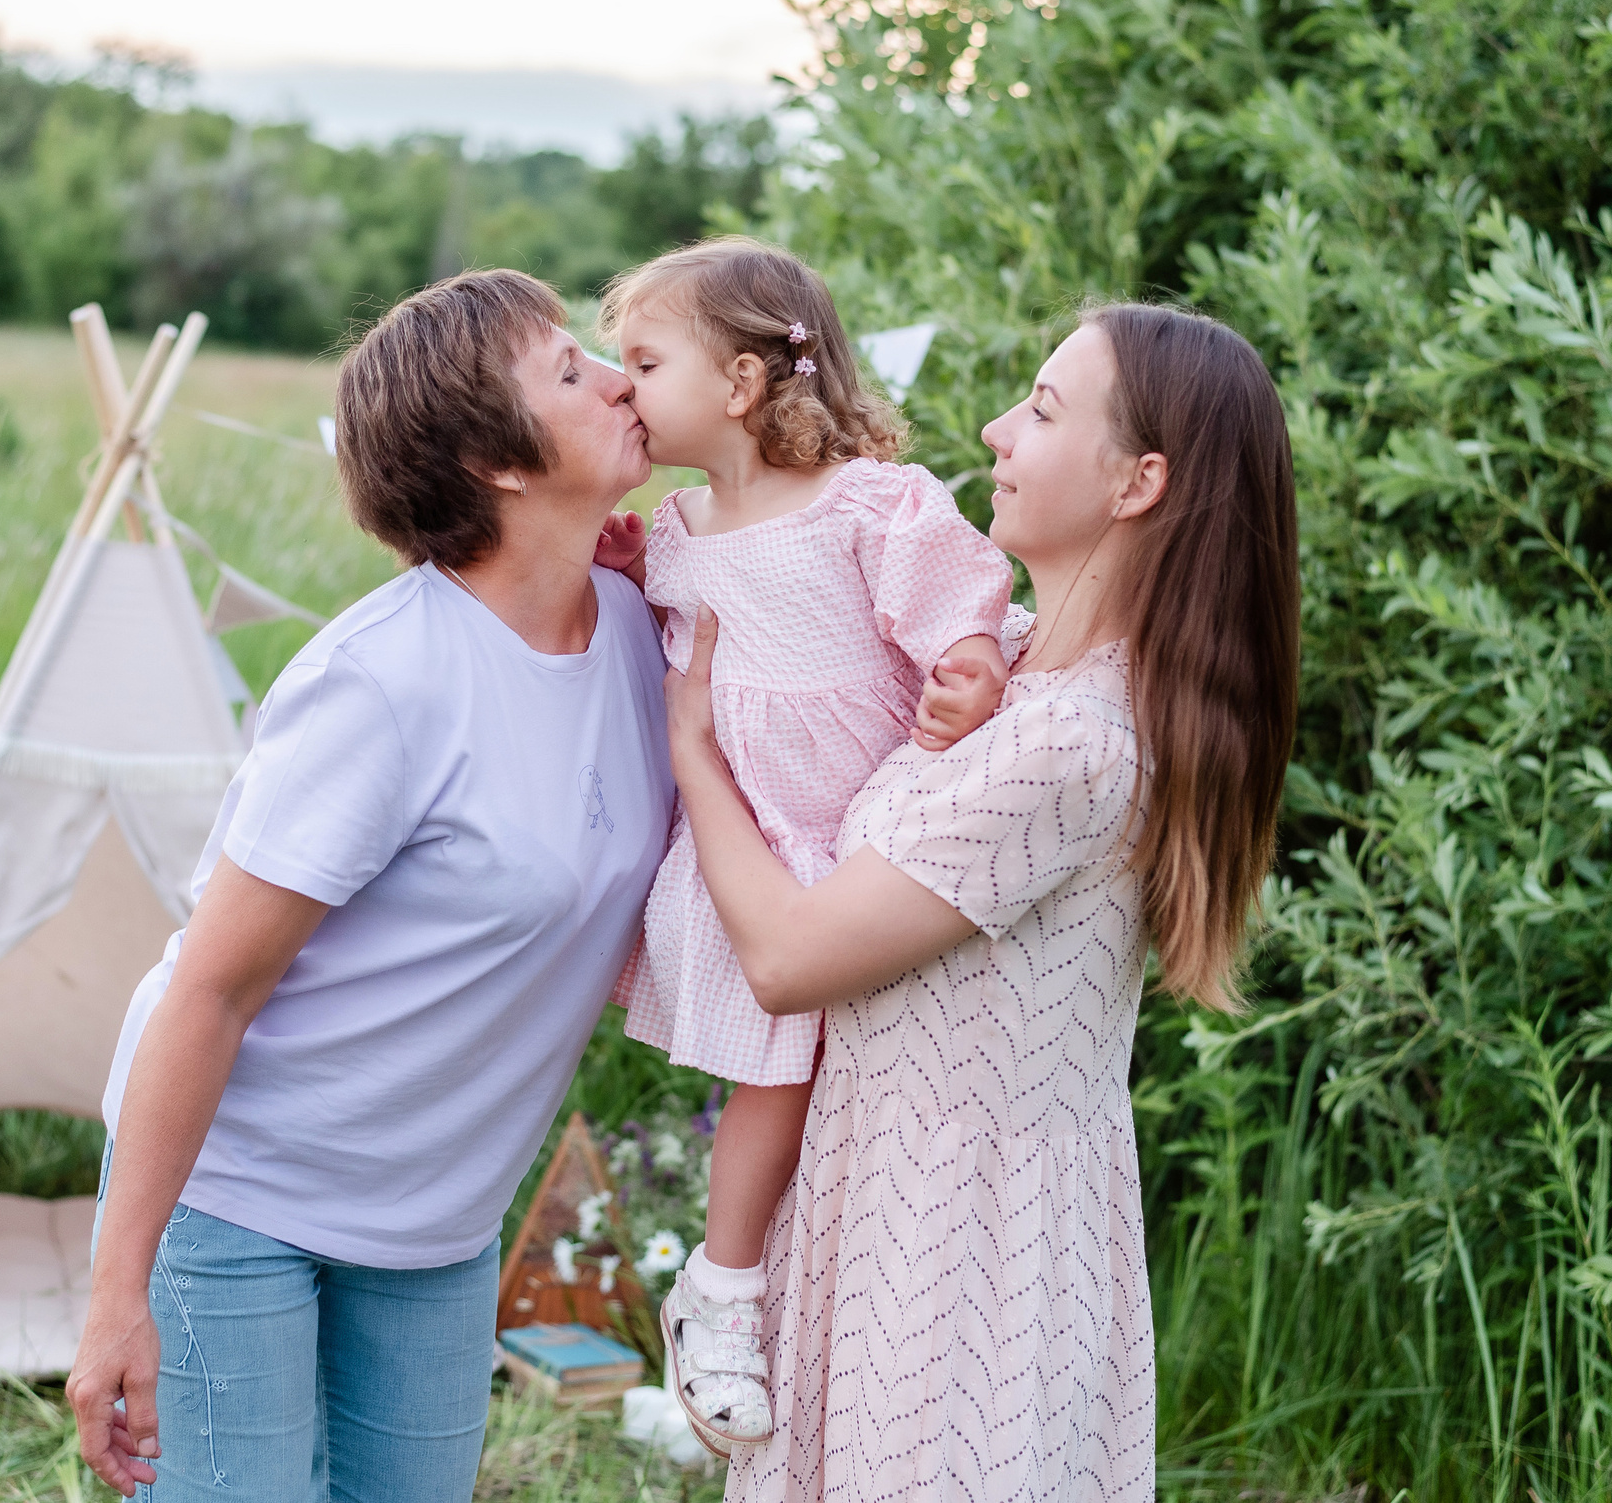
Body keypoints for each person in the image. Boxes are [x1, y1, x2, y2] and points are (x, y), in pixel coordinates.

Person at [666, 304, 1301, 1498]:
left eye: (1045, 409)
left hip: (960, 1262)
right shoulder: (1003, 666)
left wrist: (693, 752)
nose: (996, 429)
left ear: (1138, 481)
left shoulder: (1071, 741)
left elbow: (790, 958)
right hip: (879, 1204)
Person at [66, 269, 675, 1502]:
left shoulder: (642, 629)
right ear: (495, 461)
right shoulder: (383, 682)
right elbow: (208, 988)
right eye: (570, 369)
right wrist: (114, 1294)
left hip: (436, 1220)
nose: (622, 376)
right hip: (241, 1191)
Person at [593, 238, 1015, 1457]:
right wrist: (621, 563)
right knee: (776, 1074)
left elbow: (954, 598)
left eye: (642, 360)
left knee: (867, 1095)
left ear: (737, 382)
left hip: (871, 836)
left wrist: (966, 667)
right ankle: (720, 1293)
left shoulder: (866, 502)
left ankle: (826, 1304)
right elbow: (642, 605)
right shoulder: (672, 529)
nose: (622, 384)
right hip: (759, 847)